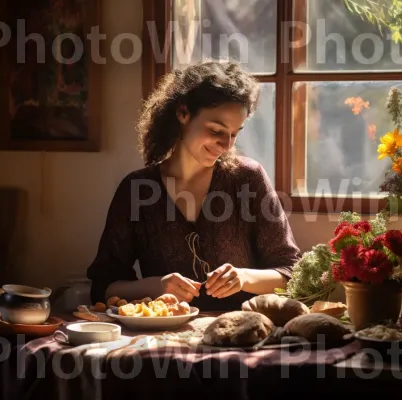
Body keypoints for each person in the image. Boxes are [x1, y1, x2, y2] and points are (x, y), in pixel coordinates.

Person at [86, 60, 301, 312]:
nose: (226, 145)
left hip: (243, 336)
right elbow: (102, 287)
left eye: (235, 133)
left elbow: (292, 274)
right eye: (216, 130)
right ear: (183, 113)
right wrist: (156, 286)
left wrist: (244, 278)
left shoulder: (247, 179)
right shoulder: (137, 190)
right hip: (164, 340)